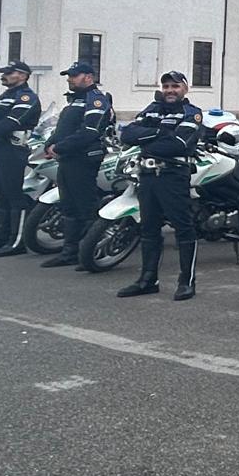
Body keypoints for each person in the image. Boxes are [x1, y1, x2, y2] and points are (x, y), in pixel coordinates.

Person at [116, 71, 203, 299]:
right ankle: (148, 280)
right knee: (148, 228)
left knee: (183, 227)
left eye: (175, 86)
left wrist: (148, 139)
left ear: (185, 88)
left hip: (172, 175)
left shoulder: (191, 113)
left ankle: (186, 282)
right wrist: (159, 133)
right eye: (165, 86)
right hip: (147, 175)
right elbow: (127, 134)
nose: (169, 91)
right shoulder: (152, 109)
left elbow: (178, 144)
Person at [40, 62, 114, 271]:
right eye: (69, 76)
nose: (70, 79)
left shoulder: (96, 100)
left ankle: (89, 252)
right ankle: (69, 253)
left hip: (83, 158)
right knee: (69, 206)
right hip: (68, 158)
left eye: (74, 75)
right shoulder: (75, 100)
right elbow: (63, 128)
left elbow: (88, 132)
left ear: (88, 77)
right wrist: (50, 144)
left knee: (85, 207)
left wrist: (60, 147)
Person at [0, 62, 42, 256]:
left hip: (13, 149)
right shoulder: (5, 96)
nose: (4, 76)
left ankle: (17, 242)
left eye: (8, 74)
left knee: (13, 195)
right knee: (1, 194)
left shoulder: (27, 97)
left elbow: (13, 121)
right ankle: (0, 239)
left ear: (22, 76)